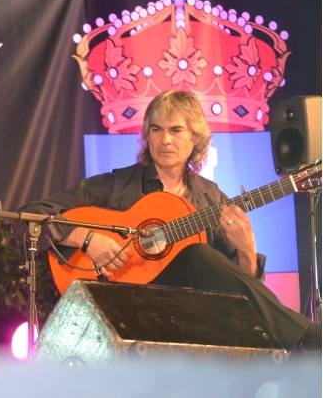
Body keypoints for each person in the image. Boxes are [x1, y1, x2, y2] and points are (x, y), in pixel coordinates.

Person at [22, 90, 319, 352]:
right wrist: (88, 239)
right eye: (156, 129)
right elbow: (32, 216)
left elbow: (238, 290)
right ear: (147, 135)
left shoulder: (210, 198)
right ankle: (309, 338)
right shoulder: (116, 185)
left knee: (198, 258)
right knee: (197, 255)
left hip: (191, 317)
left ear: (196, 138)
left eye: (176, 130)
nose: (164, 139)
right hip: (124, 305)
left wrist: (247, 251)